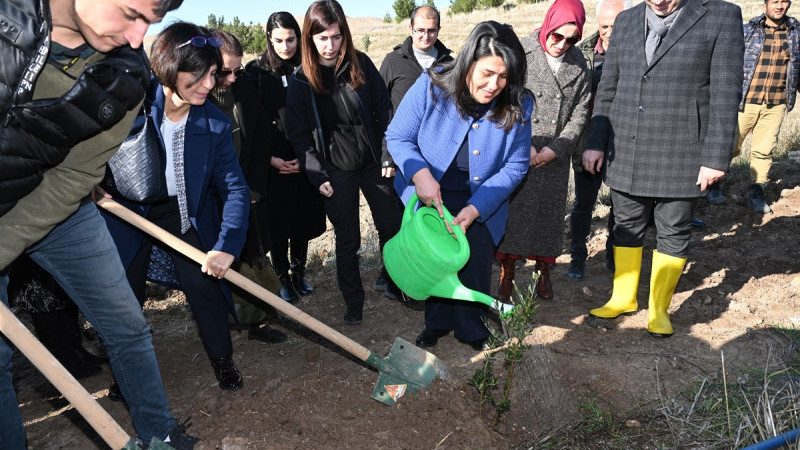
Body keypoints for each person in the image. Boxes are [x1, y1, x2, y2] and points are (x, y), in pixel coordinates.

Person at [0, 0, 198, 447]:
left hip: (60, 206)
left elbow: (73, 175)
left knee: (126, 326)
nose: (136, 38)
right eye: (132, 13)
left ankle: (158, 433)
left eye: (149, 23)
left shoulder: (125, 78)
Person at [101, 22, 250, 390]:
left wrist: (226, 247)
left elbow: (235, 189)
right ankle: (126, 373)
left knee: (204, 286)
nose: (207, 85)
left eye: (213, 74)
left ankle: (222, 360)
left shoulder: (214, 124)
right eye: (197, 75)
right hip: (125, 209)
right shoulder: (130, 102)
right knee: (123, 295)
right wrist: (91, 184)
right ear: (169, 68)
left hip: (180, 212)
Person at [582, 0, 744, 337]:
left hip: (683, 150)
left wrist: (715, 157)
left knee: (673, 229)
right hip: (626, 145)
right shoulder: (626, 20)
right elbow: (608, 87)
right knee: (625, 223)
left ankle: (659, 309)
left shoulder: (721, 16)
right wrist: (596, 141)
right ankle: (623, 297)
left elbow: (726, 93)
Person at [386, 21, 533, 351]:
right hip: (430, 195)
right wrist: (419, 174)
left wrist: (476, 208)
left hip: (481, 198)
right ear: (468, 64)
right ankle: (435, 324)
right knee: (434, 260)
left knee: (475, 262)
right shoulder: (433, 85)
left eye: (503, 76)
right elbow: (398, 136)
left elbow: (516, 165)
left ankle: (473, 330)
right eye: (486, 74)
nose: (494, 85)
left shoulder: (518, 104)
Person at [286, 0, 402, 325]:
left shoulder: (360, 63)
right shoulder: (300, 82)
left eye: (336, 37)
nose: (330, 45)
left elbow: (385, 109)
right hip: (335, 170)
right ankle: (354, 301)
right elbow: (299, 135)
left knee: (390, 225)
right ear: (310, 38)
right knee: (347, 238)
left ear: (344, 35)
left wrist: (388, 153)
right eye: (322, 38)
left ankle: (396, 280)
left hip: (373, 162)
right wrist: (315, 173)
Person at [495, 0, 591, 301]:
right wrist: (524, 147)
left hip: (554, 156)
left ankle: (543, 271)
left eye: (571, 39)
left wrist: (557, 148)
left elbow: (580, 113)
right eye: (556, 36)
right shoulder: (521, 51)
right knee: (515, 216)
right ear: (548, 25)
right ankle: (508, 272)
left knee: (548, 218)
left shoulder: (581, 63)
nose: (562, 44)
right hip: (518, 148)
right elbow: (504, 98)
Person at [239, 12, 327, 304]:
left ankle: (299, 273)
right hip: (273, 162)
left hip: (304, 157)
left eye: (291, 39)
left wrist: (307, 158)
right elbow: (253, 125)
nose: (286, 46)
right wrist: (270, 160)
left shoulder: (307, 68)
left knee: (300, 220)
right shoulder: (255, 74)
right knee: (278, 225)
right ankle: (282, 277)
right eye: (279, 40)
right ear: (268, 39)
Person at [208, 29, 288, 344]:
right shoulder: (195, 98)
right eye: (223, 71)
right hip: (212, 198)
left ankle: (258, 322)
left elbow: (260, 141)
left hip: (246, 191)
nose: (230, 78)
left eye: (236, 70)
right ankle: (221, 323)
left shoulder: (245, 90)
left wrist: (254, 187)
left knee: (252, 253)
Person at [375, 5, 453, 294]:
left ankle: (427, 273)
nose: (426, 36)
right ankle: (395, 273)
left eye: (431, 30)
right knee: (399, 216)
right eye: (420, 30)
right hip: (400, 154)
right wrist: (387, 153)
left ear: (439, 30)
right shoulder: (393, 61)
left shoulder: (450, 63)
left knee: (430, 216)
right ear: (411, 29)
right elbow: (381, 110)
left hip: (437, 156)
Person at [707, 0, 799, 213]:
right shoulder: (748, 30)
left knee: (763, 150)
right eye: (775, 2)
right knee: (730, 145)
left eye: (784, 2)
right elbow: (729, 61)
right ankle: (713, 184)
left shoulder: (795, 34)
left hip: (776, 103)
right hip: (745, 101)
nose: (779, 6)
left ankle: (757, 192)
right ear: (764, 4)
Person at [566, 0, 629, 281]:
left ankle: (614, 256)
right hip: (587, 144)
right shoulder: (583, 56)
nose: (609, 32)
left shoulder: (639, 52)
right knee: (583, 205)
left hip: (623, 147)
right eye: (604, 26)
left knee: (621, 206)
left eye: (615, 25)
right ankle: (577, 259)